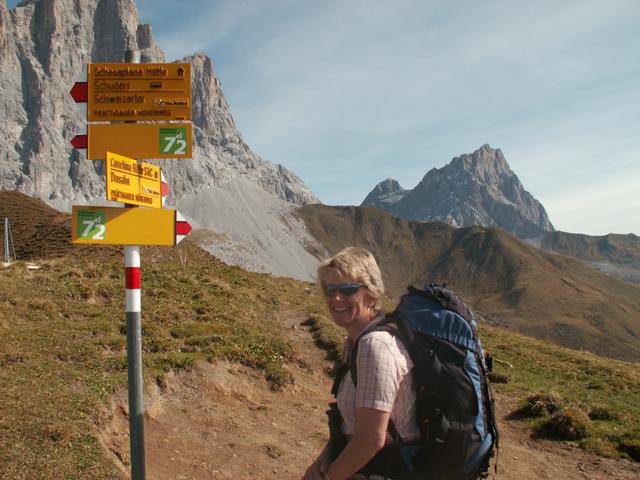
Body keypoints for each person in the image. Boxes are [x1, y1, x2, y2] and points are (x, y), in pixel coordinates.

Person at [302, 247, 420, 480]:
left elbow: (371, 439)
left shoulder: (374, 347)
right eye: (330, 289)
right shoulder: (356, 343)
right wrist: (326, 458)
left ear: (372, 295)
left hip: (383, 470)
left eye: (348, 289)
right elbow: (353, 425)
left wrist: (329, 477)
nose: (336, 298)